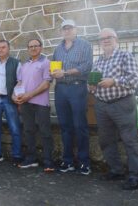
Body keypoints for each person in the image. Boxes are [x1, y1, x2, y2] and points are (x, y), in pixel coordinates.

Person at [90, 28, 138, 190]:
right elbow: (93, 80)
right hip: (102, 104)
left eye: (109, 37)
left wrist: (114, 81)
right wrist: (91, 87)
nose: (105, 40)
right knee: (106, 140)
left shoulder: (126, 56)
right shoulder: (98, 61)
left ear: (116, 39)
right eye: (102, 38)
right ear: (99, 42)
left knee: (130, 141)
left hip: (123, 103)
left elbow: (135, 78)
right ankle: (116, 170)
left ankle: (136, 176)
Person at [51, 19, 93, 175]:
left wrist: (66, 72)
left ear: (75, 29)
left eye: (69, 28)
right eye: (64, 28)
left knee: (80, 126)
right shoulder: (58, 49)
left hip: (77, 88)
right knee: (65, 127)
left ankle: (84, 162)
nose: (67, 31)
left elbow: (87, 66)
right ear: (61, 31)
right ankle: (67, 161)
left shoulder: (85, 45)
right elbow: (55, 68)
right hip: (61, 89)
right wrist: (54, 72)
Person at [13, 39, 54, 172]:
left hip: (41, 104)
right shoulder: (24, 65)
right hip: (26, 104)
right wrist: (14, 95)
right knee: (28, 131)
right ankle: (31, 159)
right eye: (30, 46)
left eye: (36, 46)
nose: (33, 48)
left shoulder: (46, 63)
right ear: (28, 49)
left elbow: (46, 84)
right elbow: (20, 83)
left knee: (45, 132)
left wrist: (29, 95)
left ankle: (48, 162)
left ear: (41, 47)